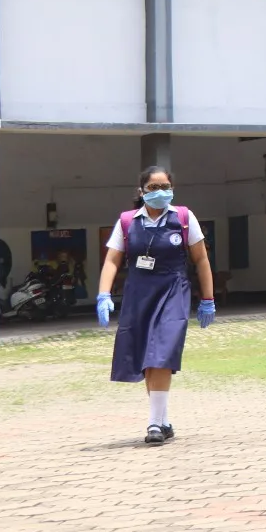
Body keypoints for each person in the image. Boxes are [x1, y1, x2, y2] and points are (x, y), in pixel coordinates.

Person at [95, 166, 216, 444]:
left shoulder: (184, 218)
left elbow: (201, 260)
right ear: (141, 192)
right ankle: (162, 420)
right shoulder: (127, 222)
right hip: (139, 293)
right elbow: (113, 260)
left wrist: (207, 300)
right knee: (147, 357)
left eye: (164, 187)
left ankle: (153, 424)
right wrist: (104, 295)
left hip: (173, 290)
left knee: (161, 353)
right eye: (152, 188)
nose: (159, 193)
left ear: (172, 189)